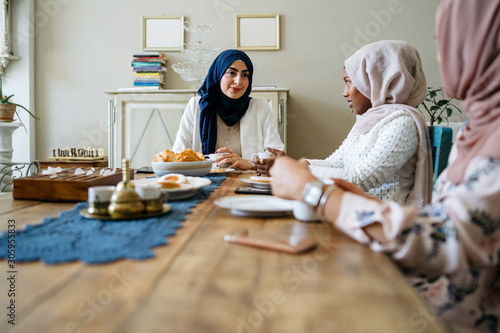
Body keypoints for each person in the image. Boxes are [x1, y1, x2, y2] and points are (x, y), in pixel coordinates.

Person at [269, 1, 500, 331]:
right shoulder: (481, 128)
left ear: (481, 47)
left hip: (438, 312)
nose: (439, 58)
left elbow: (446, 239)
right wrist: (304, 170)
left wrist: (313, 191)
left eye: (447, 42)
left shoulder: (414, 123)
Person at [255, 40, 433, 206]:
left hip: (380, 224)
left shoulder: (401, 123)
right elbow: (336, 163)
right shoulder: (368, 120)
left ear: (378, 80)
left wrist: (298, 169)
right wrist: (292, 163)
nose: (344, 93)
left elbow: (359, 179)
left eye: (348, 82)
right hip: (354, 212)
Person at [172, 49, 284, 170]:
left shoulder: (260, 107)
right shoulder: (197, 106)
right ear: (218, 74)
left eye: (245, 75)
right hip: (204, 180)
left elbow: (278, 159)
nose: (238, 81)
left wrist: (249, 163)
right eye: (231, 73)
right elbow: (178, 155)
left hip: (248, 182)